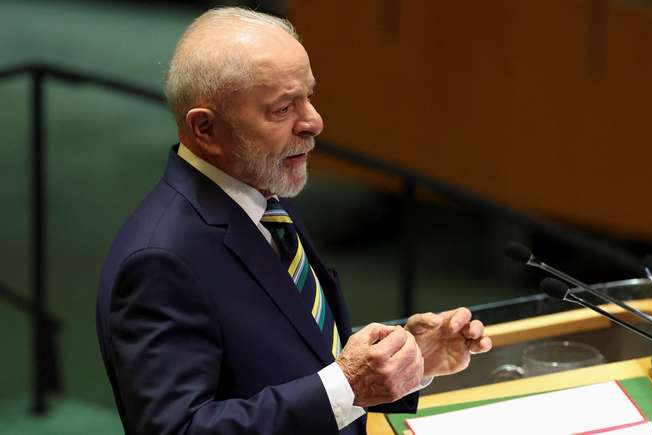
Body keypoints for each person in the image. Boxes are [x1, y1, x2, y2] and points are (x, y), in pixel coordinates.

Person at [96, 7, 492, 434]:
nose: (314, 122)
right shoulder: (160, 261)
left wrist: (406, 360)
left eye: (309, 96)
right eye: (283, 108)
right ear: (206, 130)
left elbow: (288, 348)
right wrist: (349, 386)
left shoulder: (263, 197)